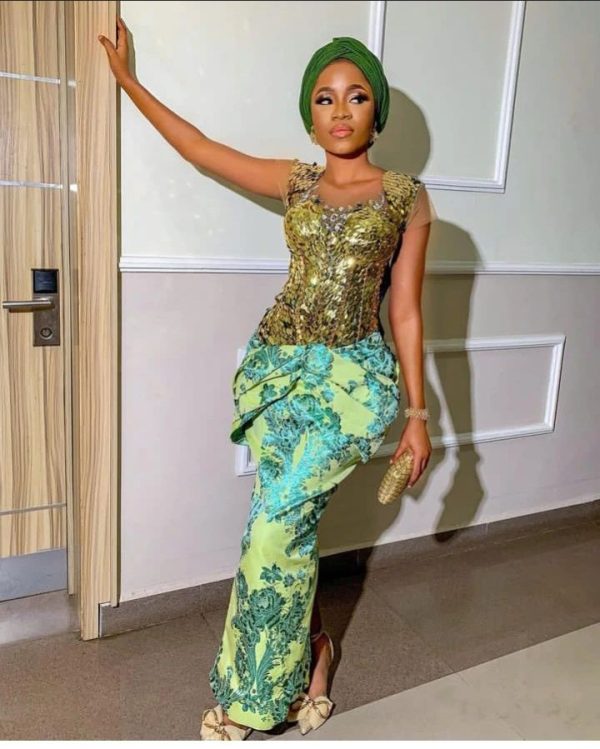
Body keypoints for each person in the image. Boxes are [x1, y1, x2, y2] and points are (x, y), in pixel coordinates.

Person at [99, 20, 435, 741]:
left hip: (351, 385)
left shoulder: (406, 196)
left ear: (376, 110)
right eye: (324, 98)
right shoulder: (296, 181)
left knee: (276, 522)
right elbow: (200, 150)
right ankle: (315, 655)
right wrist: (129, 82)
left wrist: (418, 413)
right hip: (280, 370)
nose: (340, 111)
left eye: (355, 97)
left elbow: (405, 310)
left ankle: (250, 698)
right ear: (309, 115)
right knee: (284, 525)